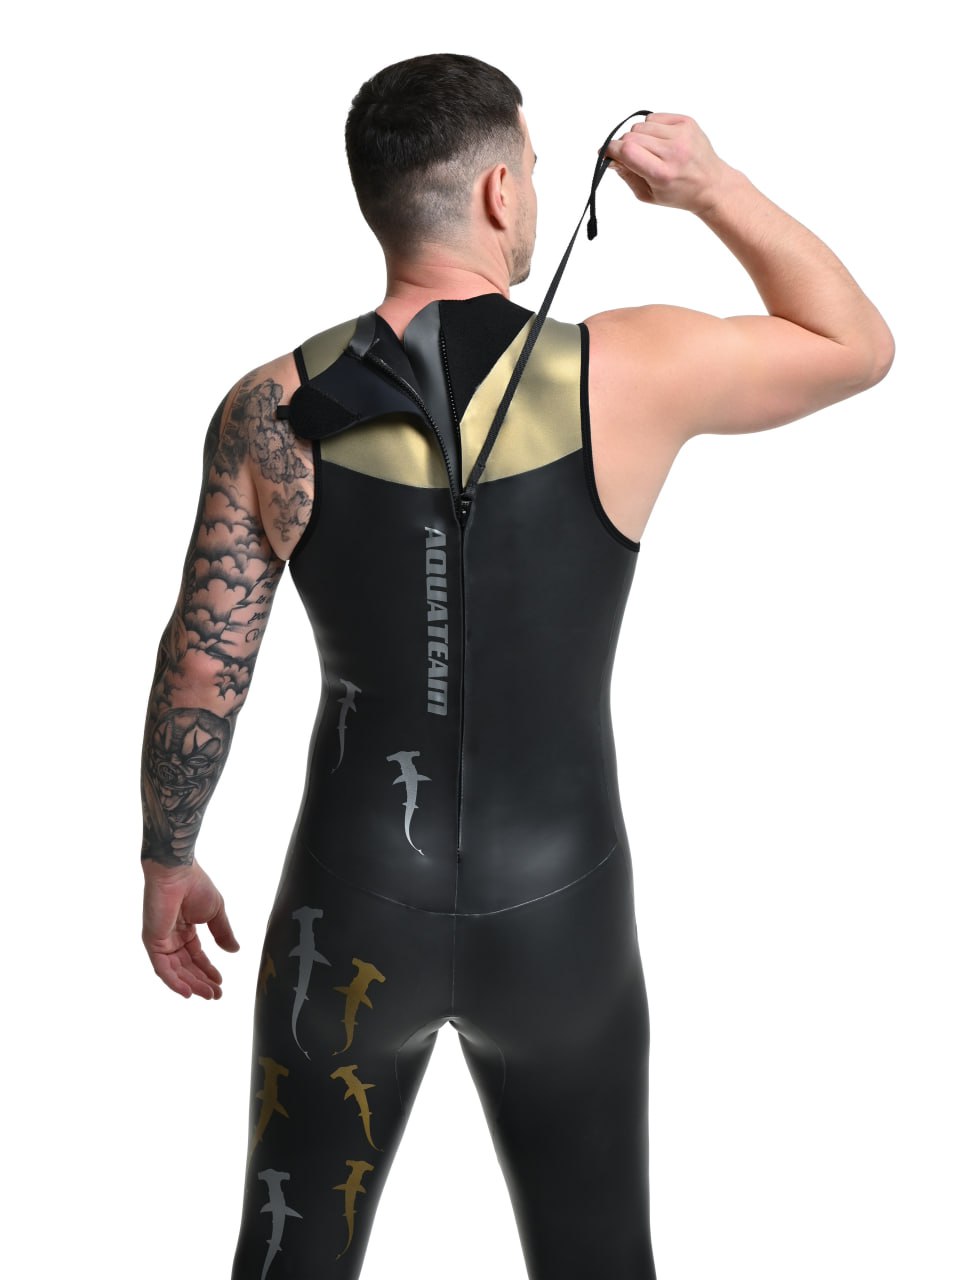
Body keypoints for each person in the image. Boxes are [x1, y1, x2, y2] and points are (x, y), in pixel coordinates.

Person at [139, 52, 894, 1280]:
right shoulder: (627, 369)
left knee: (289, 1259)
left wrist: (167, 856)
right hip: (563, 911)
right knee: (597, 1258)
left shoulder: (268, 408)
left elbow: (203, 658)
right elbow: (853, 344)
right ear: (499, 192)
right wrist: (708, 186)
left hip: (349, 903)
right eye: (532, 169)